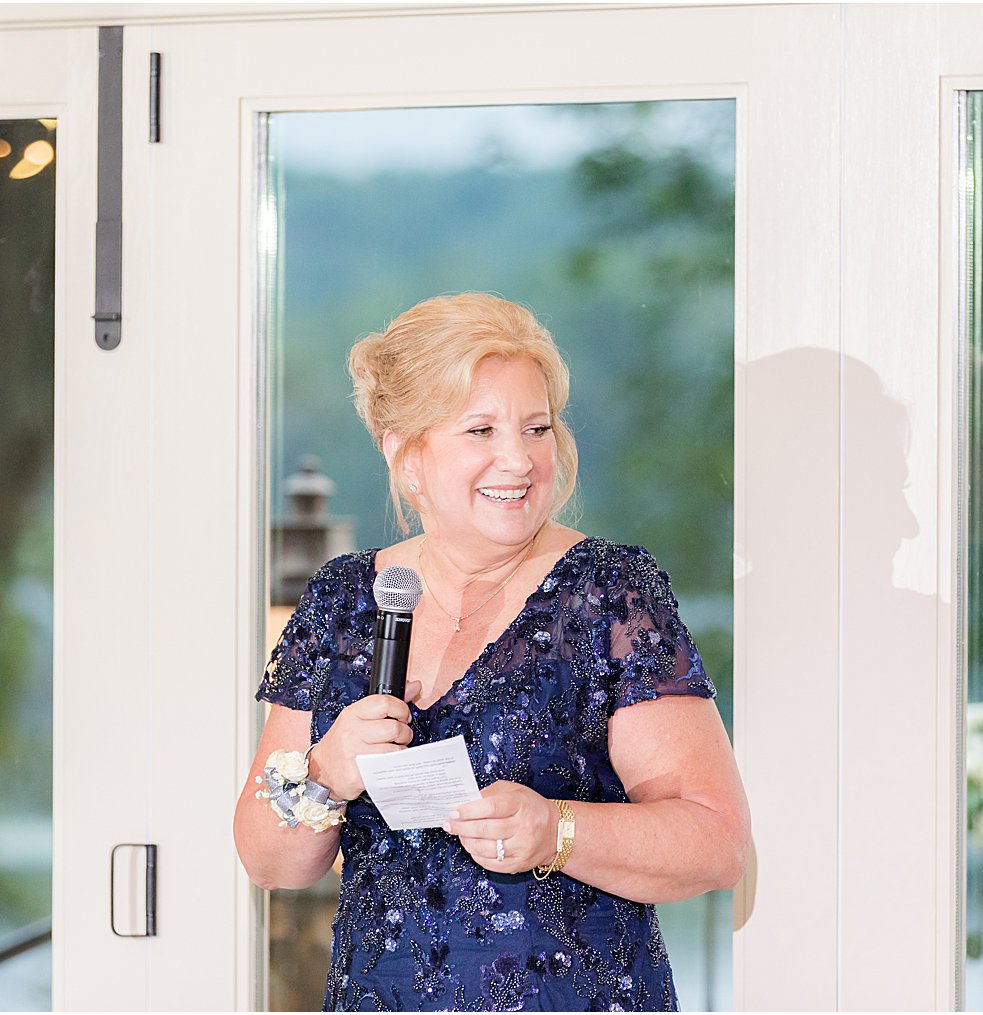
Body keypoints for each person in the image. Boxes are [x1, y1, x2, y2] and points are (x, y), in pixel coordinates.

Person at [234, 293, 751, 1011]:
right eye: (481, 429)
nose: (519, 458)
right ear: (404, 452)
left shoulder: (609, 594)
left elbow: (715, 841)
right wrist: (323, 773)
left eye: (536, 427)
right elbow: (269, 860)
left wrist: (555, 830)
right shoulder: (343, 601)